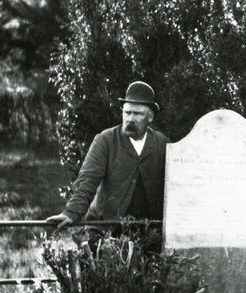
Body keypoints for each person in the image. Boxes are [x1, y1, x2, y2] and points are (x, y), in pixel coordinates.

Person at [45, 81, 169, 233]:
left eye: (137, 114)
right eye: (127, 112)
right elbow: (87, 179)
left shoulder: (162, 144)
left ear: (150, 117)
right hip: (106, 230)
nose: (130, 118)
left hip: (149, 233)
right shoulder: (106, 140)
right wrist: (71, 212)